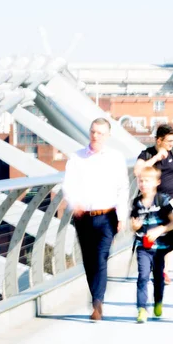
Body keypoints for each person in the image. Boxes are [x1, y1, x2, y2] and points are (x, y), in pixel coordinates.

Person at [62, 118, 129, 321]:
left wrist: (121, 216)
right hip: (83, 217)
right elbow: (68, 185)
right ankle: (96, 298)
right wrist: (75, 204)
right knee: (89, 260)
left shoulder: (116, 158)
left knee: (100, 258)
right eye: (93, 132)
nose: (95, 136)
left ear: (107, 135)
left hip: (107, 216)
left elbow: (122, 188)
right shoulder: (77, 158)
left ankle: (97, 302)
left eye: (100, 133)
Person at [134, 124, 173, 285]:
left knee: (168, 235)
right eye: (168, 141)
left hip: (172, 200)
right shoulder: (147, 154)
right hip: (151, 201)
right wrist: (155, 158)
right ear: (159, 140)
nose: (171, 144)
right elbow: (137, 172)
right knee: (152, 234)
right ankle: (152, 265)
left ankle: (165, 270)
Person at [130, 167, 173, 323]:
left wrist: (160, 229)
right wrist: (135, 226)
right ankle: (142, 309)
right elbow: (134, 224)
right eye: (141, 180)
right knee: (142, 276)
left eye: (147, 181)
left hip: (160, 248)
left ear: (157, 182)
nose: (143, 184)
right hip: (143, 247)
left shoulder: (162, 200)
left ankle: (158, 301)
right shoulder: (136, 203)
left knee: (158, 277)